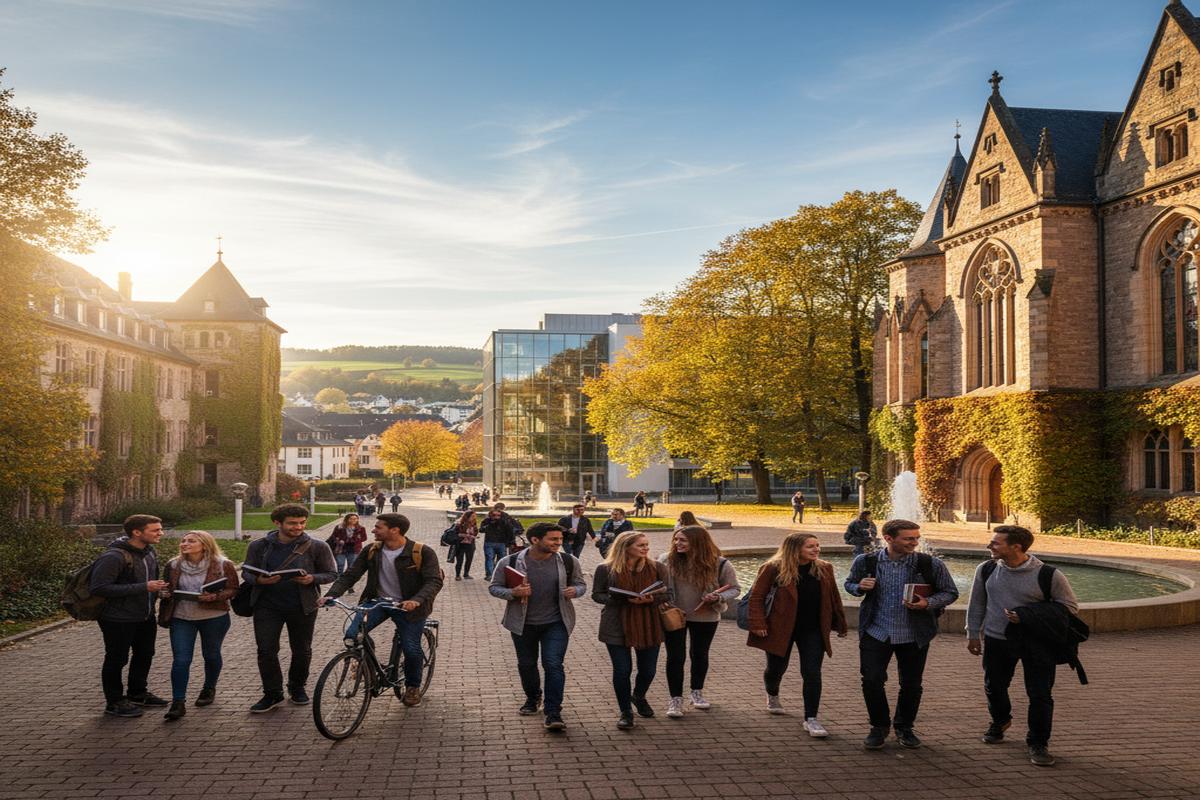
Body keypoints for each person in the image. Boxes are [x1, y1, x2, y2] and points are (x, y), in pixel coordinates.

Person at [967, 525, 1079, 767]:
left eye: (996, 543)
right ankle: (1000, 720)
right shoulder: (986, 569)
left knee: (1040, 694)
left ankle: (1038, 742)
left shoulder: (1049, 575)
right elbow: (977, 602)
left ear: (1016, 546)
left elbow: (1070, 608)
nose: (989, 546)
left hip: (1037, 642)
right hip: (997, 639)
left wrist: (1027, 615)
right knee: (994, 686)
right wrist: (973, 633)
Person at [845, 519, 959, 750]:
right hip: (876, 632)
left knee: (911, 683)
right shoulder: (866, 561)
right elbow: (849, 584)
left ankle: (904, 727)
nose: (915, 543)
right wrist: (859, 587)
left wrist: (928, 602)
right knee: (872, 680)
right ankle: (879, 727)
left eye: (916, 538)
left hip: (914, 634)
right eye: (909, 538)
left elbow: (950, 592)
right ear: (888, 538)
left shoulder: (930, 564)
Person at [323, 513, 444, 706]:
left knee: (411, 649)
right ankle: (367, 665)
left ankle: (413, 687)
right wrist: (332, 594)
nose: (373, 530)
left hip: (409, 607)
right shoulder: (372, 550)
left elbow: (434, 581)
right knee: (353, 635)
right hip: (378, 602)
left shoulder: (422, 552)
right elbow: (351, 574)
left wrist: (416, 600)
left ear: (394, 530)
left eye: (378, 527)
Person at [747, 533, 847, 737]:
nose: (816, 549)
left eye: (817, 545)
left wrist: (839, 623)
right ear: (794, 549)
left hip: (813, 630)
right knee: (775, 668)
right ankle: (772, 693)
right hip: (780, 627)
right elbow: (757, 597)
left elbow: (833, 597)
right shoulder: (773, 568)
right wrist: (758, 623)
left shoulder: (824, 568)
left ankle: (811, 719)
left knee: (812, 672)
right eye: (810, 546)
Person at [488, 523, 587, 731]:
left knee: (553, 664)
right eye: (553, 539)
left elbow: (581, 585)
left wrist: (574, 591)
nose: (558, 543)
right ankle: (533, 698)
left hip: (557, 622)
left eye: (560, 540)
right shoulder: (511, 561)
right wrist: (513, 593)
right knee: (526, 664)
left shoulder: (568, 561)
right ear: (535, 540)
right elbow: (494, 587)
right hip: (522, 623)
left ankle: (553, 711)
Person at [241, 504, 336, 713]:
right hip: (267, 606)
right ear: (277, 523)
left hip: (303, 605)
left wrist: (312, 578)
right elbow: (246, 572)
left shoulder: (317, 546)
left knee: (302, 650)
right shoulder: (259, 546)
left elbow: (331, 573)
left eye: (302, 522)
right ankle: (272, 693)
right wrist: (259, 580)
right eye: (292, 523)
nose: (298, 527)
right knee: (266, 650)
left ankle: (297, 687)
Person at [89, 514, 169, 718]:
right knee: (117, 659)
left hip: (144, 616)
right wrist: (144, 587)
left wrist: (158, 591)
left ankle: (137, 693)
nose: (161, 533)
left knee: (145, 654)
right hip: (117, 618)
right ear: (137, 532)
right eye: (155, 530)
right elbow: (99, 587)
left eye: (160, 529)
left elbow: (149, 584)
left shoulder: (149, 553)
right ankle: (114, 701)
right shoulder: (113, 557)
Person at [659, 525, 740, 717]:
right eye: (676, 539)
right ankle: (675, 700)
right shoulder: (666, 560)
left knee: (700, 654)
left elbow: (735, 589)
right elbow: (658, 585)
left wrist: (718, 597)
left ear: (698, 542)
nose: (677, 543)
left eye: (683, 540)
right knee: (675, 657)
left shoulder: (720, 563)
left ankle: (697, 692)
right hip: (674, 615)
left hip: (706, 616)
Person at [158, 531, 240, 721]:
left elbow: (233, 588)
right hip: (182, 617)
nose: (184, 544)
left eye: (191, 541)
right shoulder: (173, 564)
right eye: (183, 540)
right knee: (181, 659)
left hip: (214, 616)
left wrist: (216, 596)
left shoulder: (222, 564)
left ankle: (209, 687)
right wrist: (164, 593)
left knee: (211, 654)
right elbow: (166, 588)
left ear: (204, 544)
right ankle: (178, 702)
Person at [592, 531, 670, 729]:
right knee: (622, 670)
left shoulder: (658, 567)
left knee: (648, 670)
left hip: (649, 623)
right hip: (616, 622)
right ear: (625, 547)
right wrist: (619, 599)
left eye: (646, 544)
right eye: (640, 545)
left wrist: (652, 599)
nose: (646, 549)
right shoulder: (606, 569)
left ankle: (639, 696)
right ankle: (625, 712)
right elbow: (597, 595)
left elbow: (669, 593)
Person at [482, 506, 517, 577]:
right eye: (494, 515)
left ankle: (498, 574)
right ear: (490, 515)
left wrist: (512, 542)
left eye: (498, 515)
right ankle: (490, 575)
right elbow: (481, 530)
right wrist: (490, 524)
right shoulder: (487, 521)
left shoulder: (504, 522)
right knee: (489, 559)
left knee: (502, 560)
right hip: (489, 543)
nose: (496, 517)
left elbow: (510, 532)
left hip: (501, 543)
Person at [453, 510, 479, 580]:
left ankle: (466, 574)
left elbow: (476, 532)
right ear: (467, 516)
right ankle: (457, 575)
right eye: (472, 516)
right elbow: (457, 534)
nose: (474, 517)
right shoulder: (459, 523)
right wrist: (468, 535)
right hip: (461, 544)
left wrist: (474, 535)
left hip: (470, 545)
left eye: (474, 516)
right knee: (459, 561)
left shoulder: (474, 523)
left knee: (469, 560)